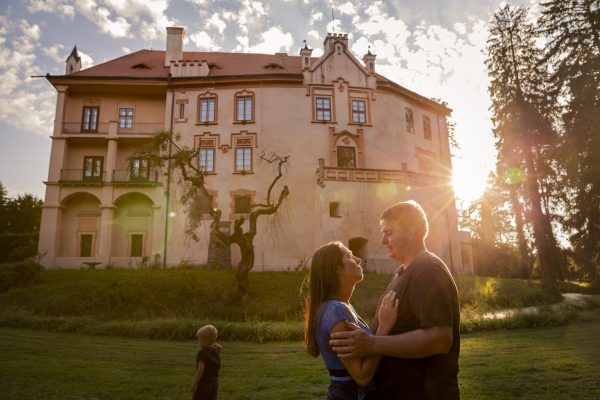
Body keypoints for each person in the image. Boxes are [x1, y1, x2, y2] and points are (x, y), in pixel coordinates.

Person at [330, 201, 460, 400]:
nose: (382, 240)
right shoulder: (402, 273)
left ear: (412, 231)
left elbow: (440, 339)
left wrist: (372, 344)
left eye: (389, 232)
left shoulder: (428, 269)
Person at [304, 241, 399, 400]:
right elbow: (362, 376)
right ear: (337, 269)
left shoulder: (338, 307)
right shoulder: (336, 311)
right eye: (349, 256)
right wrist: (384, 327)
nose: (358, 259)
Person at [191, 324, 221, 400]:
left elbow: (200, 370)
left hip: (204, 384)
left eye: (199, 339)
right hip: (214, 383)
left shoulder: (202, 353)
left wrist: (195, 383)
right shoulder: (216, 351)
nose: (198, 341)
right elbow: (219, 347)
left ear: (206, 342)